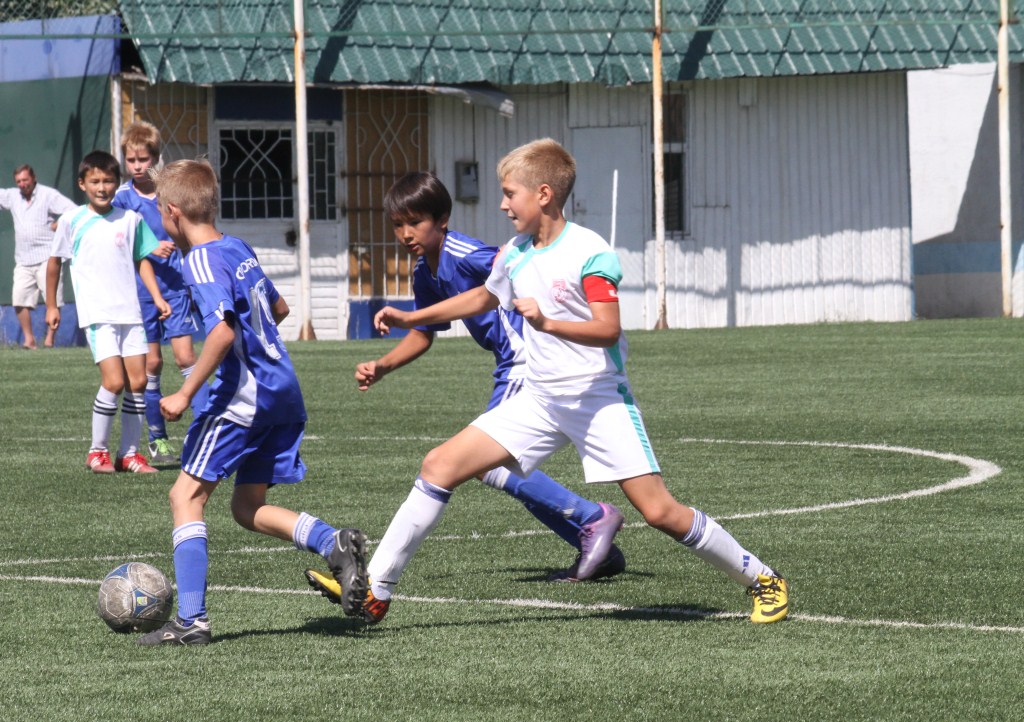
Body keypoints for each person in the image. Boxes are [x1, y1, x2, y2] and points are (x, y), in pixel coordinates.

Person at [337, 138, 789, 626]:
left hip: (598, 399)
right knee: (440, 464)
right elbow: (483, 298)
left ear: (544, 194)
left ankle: (763, 579)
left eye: (510, 193)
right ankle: (376, 590)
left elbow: (607, 329)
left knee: (659, 512)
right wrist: (411, 317)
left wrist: (547, 322)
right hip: (539, 399)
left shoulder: (589, 251)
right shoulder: (514, 253)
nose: (503, 204)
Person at [306, 170, 624, 622]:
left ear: (442, 220)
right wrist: (384, 365)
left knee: (484, 465)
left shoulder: (465, 252)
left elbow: (511, 270)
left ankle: (591, 518)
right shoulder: (425, 270)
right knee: (497, 467)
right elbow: (425, 332)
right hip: (507, 365)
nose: (405, 234)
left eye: (414, 223)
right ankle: (592, 538)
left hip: (525, 360)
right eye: (397, 225)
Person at [136, 158, 367, 647]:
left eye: (158, 210)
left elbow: (222, 332)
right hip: (282, 388)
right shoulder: (236, 247)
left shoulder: (198, 261)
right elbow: (278, 308)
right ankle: (332, 542)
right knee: (247, 507)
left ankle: (192, 621)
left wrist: (185, 391)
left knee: (185, 496)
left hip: (244, 398)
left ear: (172, 211)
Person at [44, 150, 169, 476]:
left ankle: (129, 454)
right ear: (82, 184)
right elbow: (54, 263)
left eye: (109, 181)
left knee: (138, 382)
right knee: (114, 382)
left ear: (117, 183)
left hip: (131, 313)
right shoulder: (72, 220)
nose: (102, 187)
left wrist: (157, 297)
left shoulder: (130, 219)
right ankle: (97, 451)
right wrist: (52, 305)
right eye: (95, 181)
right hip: (98, 314)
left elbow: (142, 259)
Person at [112, 122, 207, 464]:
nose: (137, 166)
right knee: (151, 363)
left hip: (176, 288)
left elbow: (189, 229)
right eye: (131, 160)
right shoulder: (121, 198)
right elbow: (118, 242)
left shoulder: (169, 192)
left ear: (155, 158)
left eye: (143, 159)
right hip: (139, 293)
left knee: (186, 358)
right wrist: (151, 248)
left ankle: (205, 430)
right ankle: (157, 438)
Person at [0, 164, 76, 349]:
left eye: (25, 180)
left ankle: (50, 340)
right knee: (19, 299)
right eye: (18, 181)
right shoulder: (13, 196)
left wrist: (58, 224)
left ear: (33, 178)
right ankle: (29, 339)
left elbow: (73, 210)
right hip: (23, 259)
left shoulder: (48, 195)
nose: (22, 184)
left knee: (54, 300)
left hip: (47, 257)